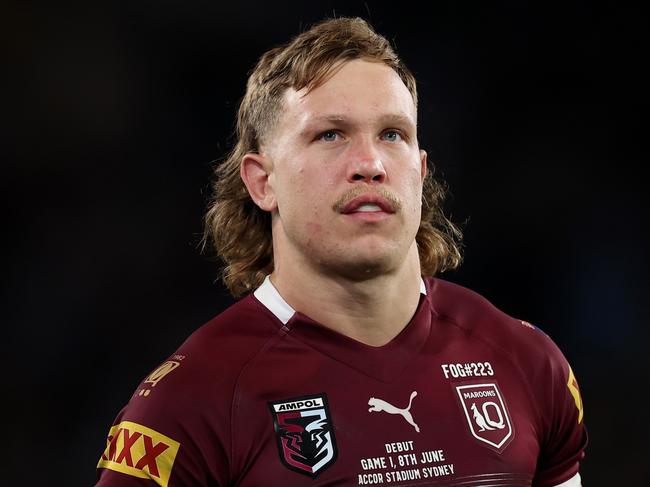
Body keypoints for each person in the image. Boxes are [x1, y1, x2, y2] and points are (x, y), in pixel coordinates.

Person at [96, 17, 587, 487]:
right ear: (263, 182)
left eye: (392, 134)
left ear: (419, 171)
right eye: (330, 135)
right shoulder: (189, 403)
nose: (370, 163)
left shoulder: (527, 362)